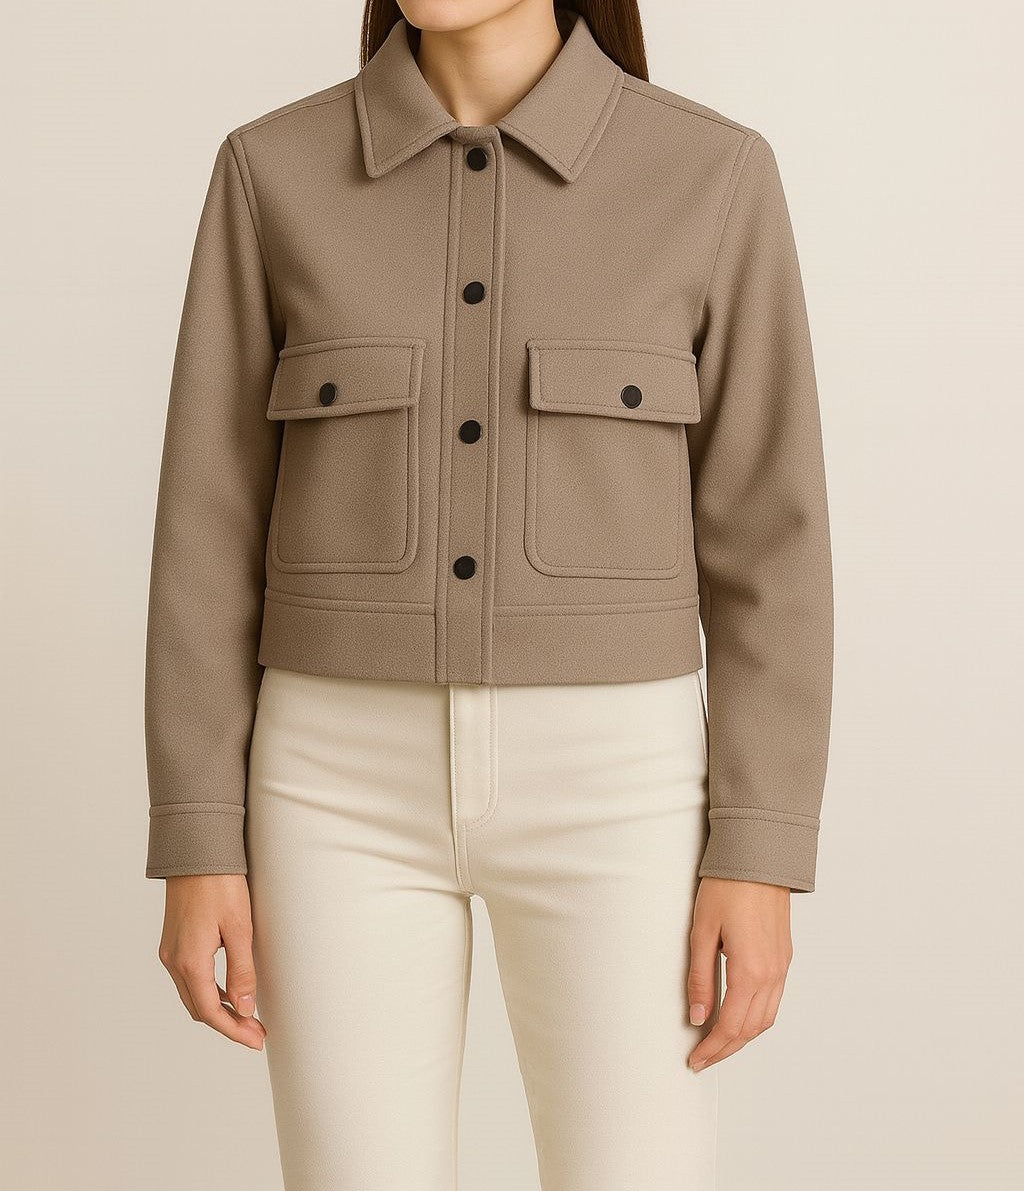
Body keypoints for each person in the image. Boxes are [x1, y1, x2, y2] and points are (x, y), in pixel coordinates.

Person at [144, 1, 833, 1187]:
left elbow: (772, 544)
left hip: (622, 787)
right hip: (329, 786)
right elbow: (205, 529)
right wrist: (198, 835)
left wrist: (759, 851)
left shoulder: (710, 174)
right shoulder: (270, 172)